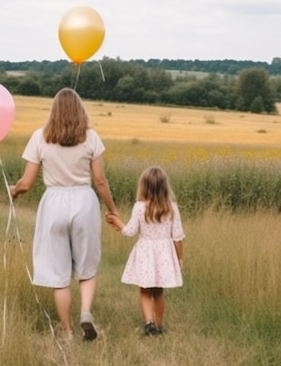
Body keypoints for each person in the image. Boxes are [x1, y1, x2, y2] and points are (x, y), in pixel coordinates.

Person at [10, 87, 119, 342]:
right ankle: (85, 312)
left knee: (60, 276)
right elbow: (100, 181)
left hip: (54, 203)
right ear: (80, 110)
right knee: (87, 267)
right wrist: (113, 210)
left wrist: (13, 191)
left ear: (54, 111)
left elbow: (26, 183)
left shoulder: (40, 137)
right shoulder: (91, 137)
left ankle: (68, 332)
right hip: (84, 201)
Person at [106, 166, 184, 336]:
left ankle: (149, 323)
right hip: (164, 254)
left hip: (145, 254)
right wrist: (179, 259)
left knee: (145, 291)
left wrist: (118, 222)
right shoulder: (172, 207)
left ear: (144, 186)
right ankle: (159, 325)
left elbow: (130, 231)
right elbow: (178, 236)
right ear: (165, 186)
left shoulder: (139, 207)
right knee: (159, 292)